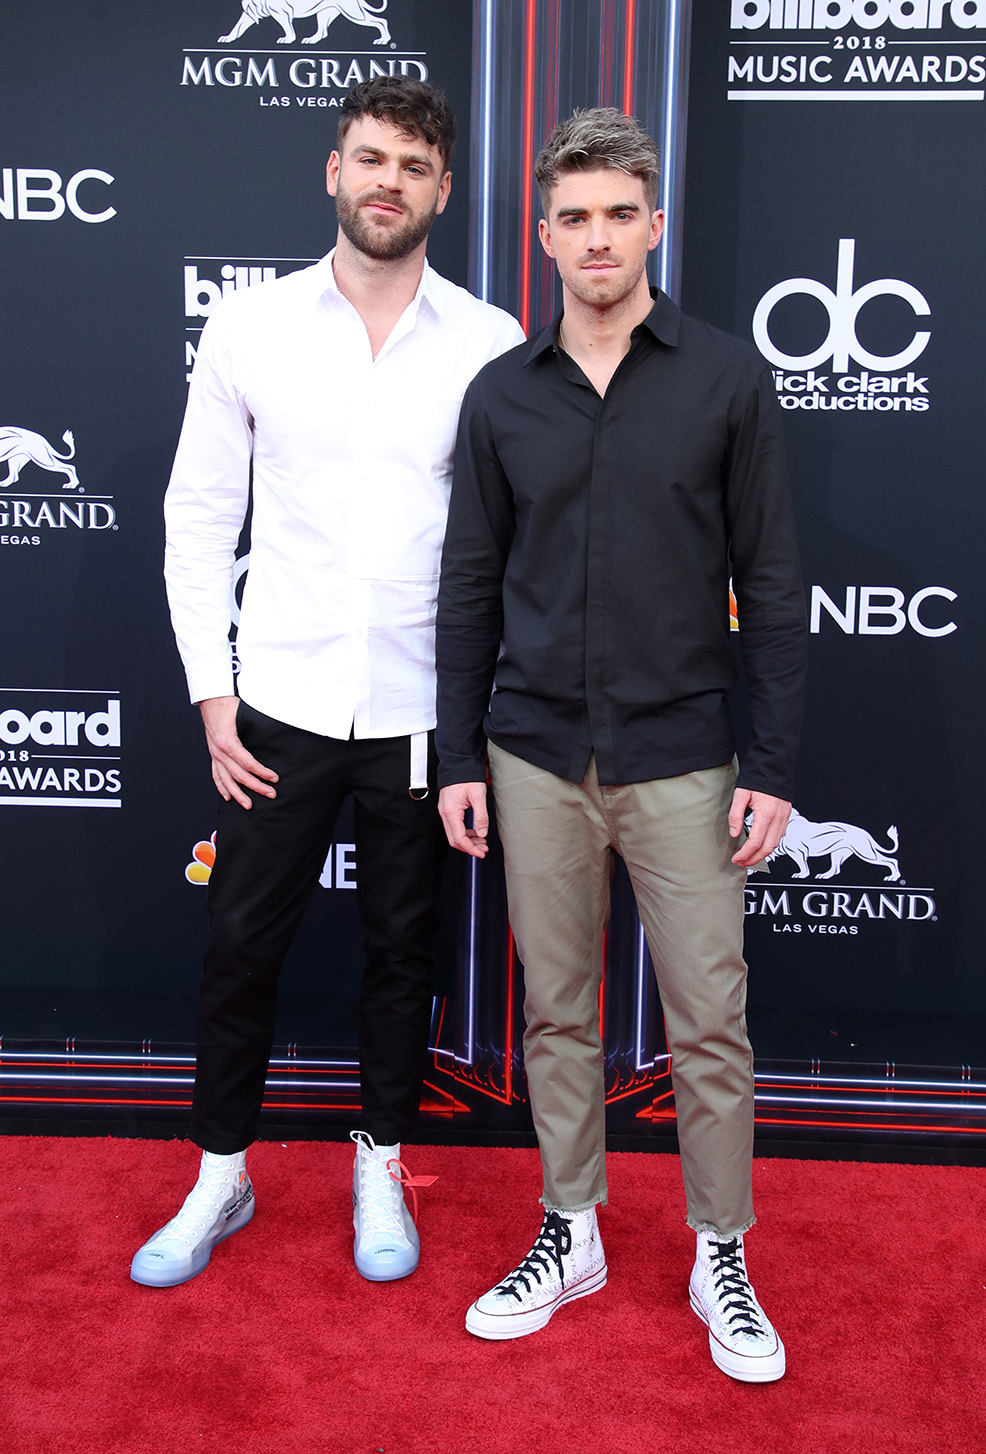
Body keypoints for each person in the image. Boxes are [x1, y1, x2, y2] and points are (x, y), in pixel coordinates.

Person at [131, 76, 522, 1290]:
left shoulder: (492, 340)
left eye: (411, 164)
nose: (387, 181)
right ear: (333, 172)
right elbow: (198, 517)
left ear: (442, 190)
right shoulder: (250, 326)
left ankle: (380, 1157)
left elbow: (509, 544)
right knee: (241, 941)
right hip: (278, 705)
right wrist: (212, 694)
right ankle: (220, 1172)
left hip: (418, 710)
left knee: (403, 953)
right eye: (369, 158)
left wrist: (479, 721)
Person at [435, 108, 806, 1382]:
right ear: (543, 236)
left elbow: (770, 575)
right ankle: (572, 1227)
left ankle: (720, 1251)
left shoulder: (722, 377)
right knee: (557, 1013)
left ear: (656, 223)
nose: (597, 238)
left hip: (685, 754)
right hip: (532, 749)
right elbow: (470, 587)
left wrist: (771, 764)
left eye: (618, 214)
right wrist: (455, 756)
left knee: (709, 1019)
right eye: (573, 217)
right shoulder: (501, 396)